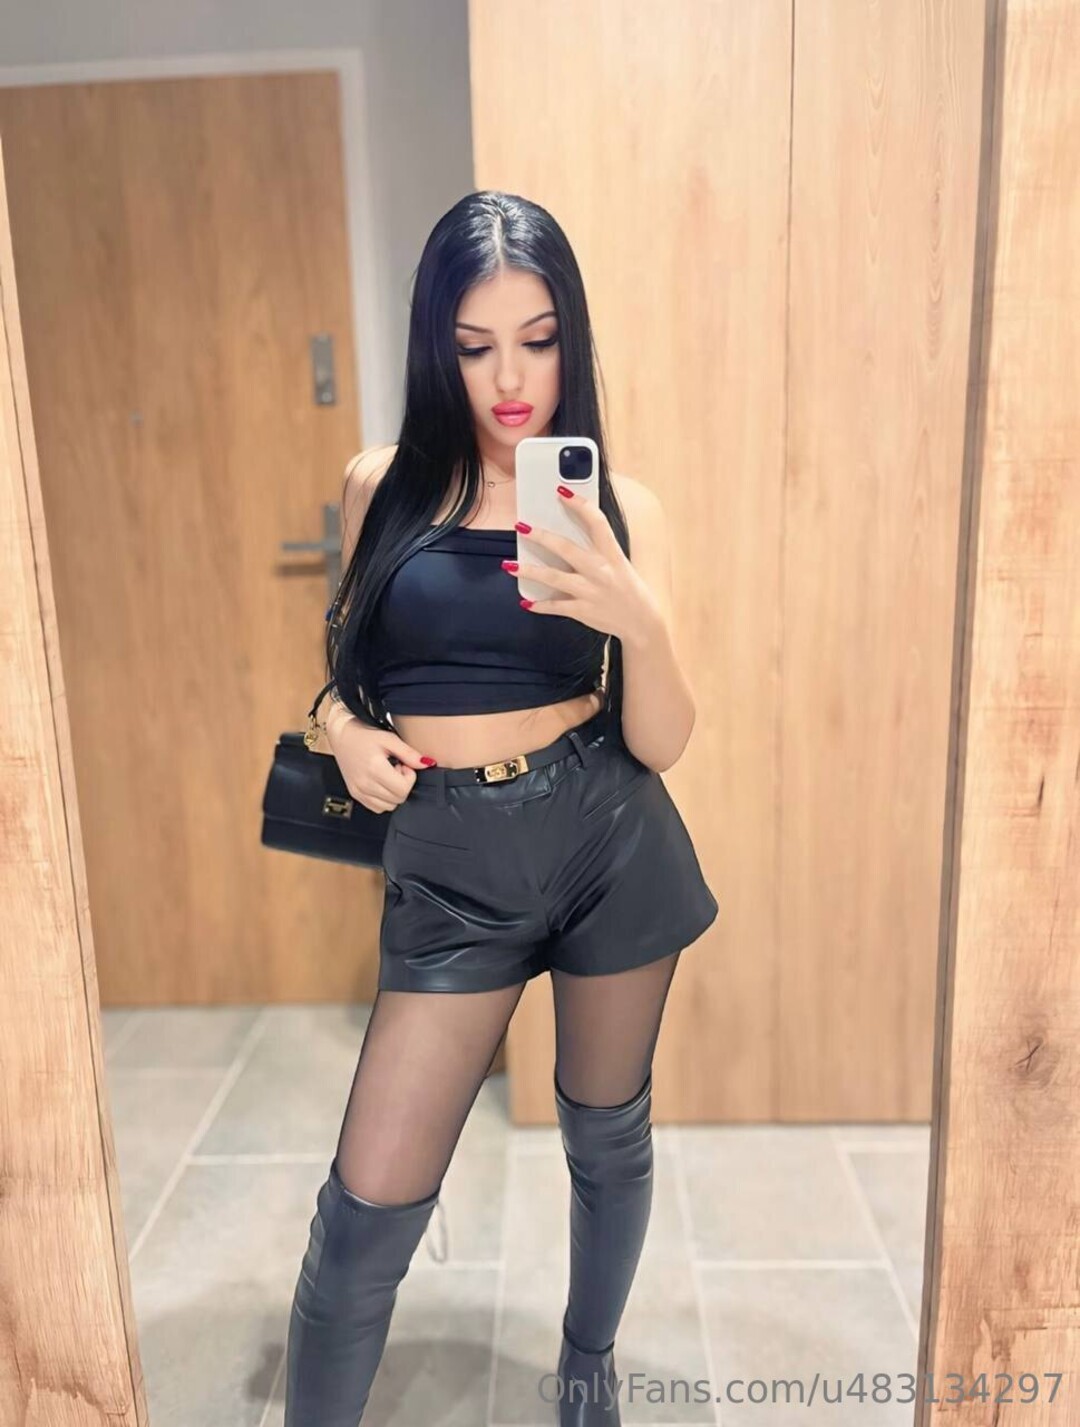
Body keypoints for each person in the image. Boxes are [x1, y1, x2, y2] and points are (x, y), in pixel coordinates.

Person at [283, 190, 718, 1426]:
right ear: (440, 348)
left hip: (606, 835)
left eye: (538, 338)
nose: (511, 378)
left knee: (606, 1132)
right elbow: (344, 674)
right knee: (363, 1212)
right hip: (448, 859)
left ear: (570, 335)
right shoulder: (381, 486)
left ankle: (587, 1364)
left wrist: (636, 618)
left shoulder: (620, 506)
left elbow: (662, 739)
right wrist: (341, 729)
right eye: (476, 346)